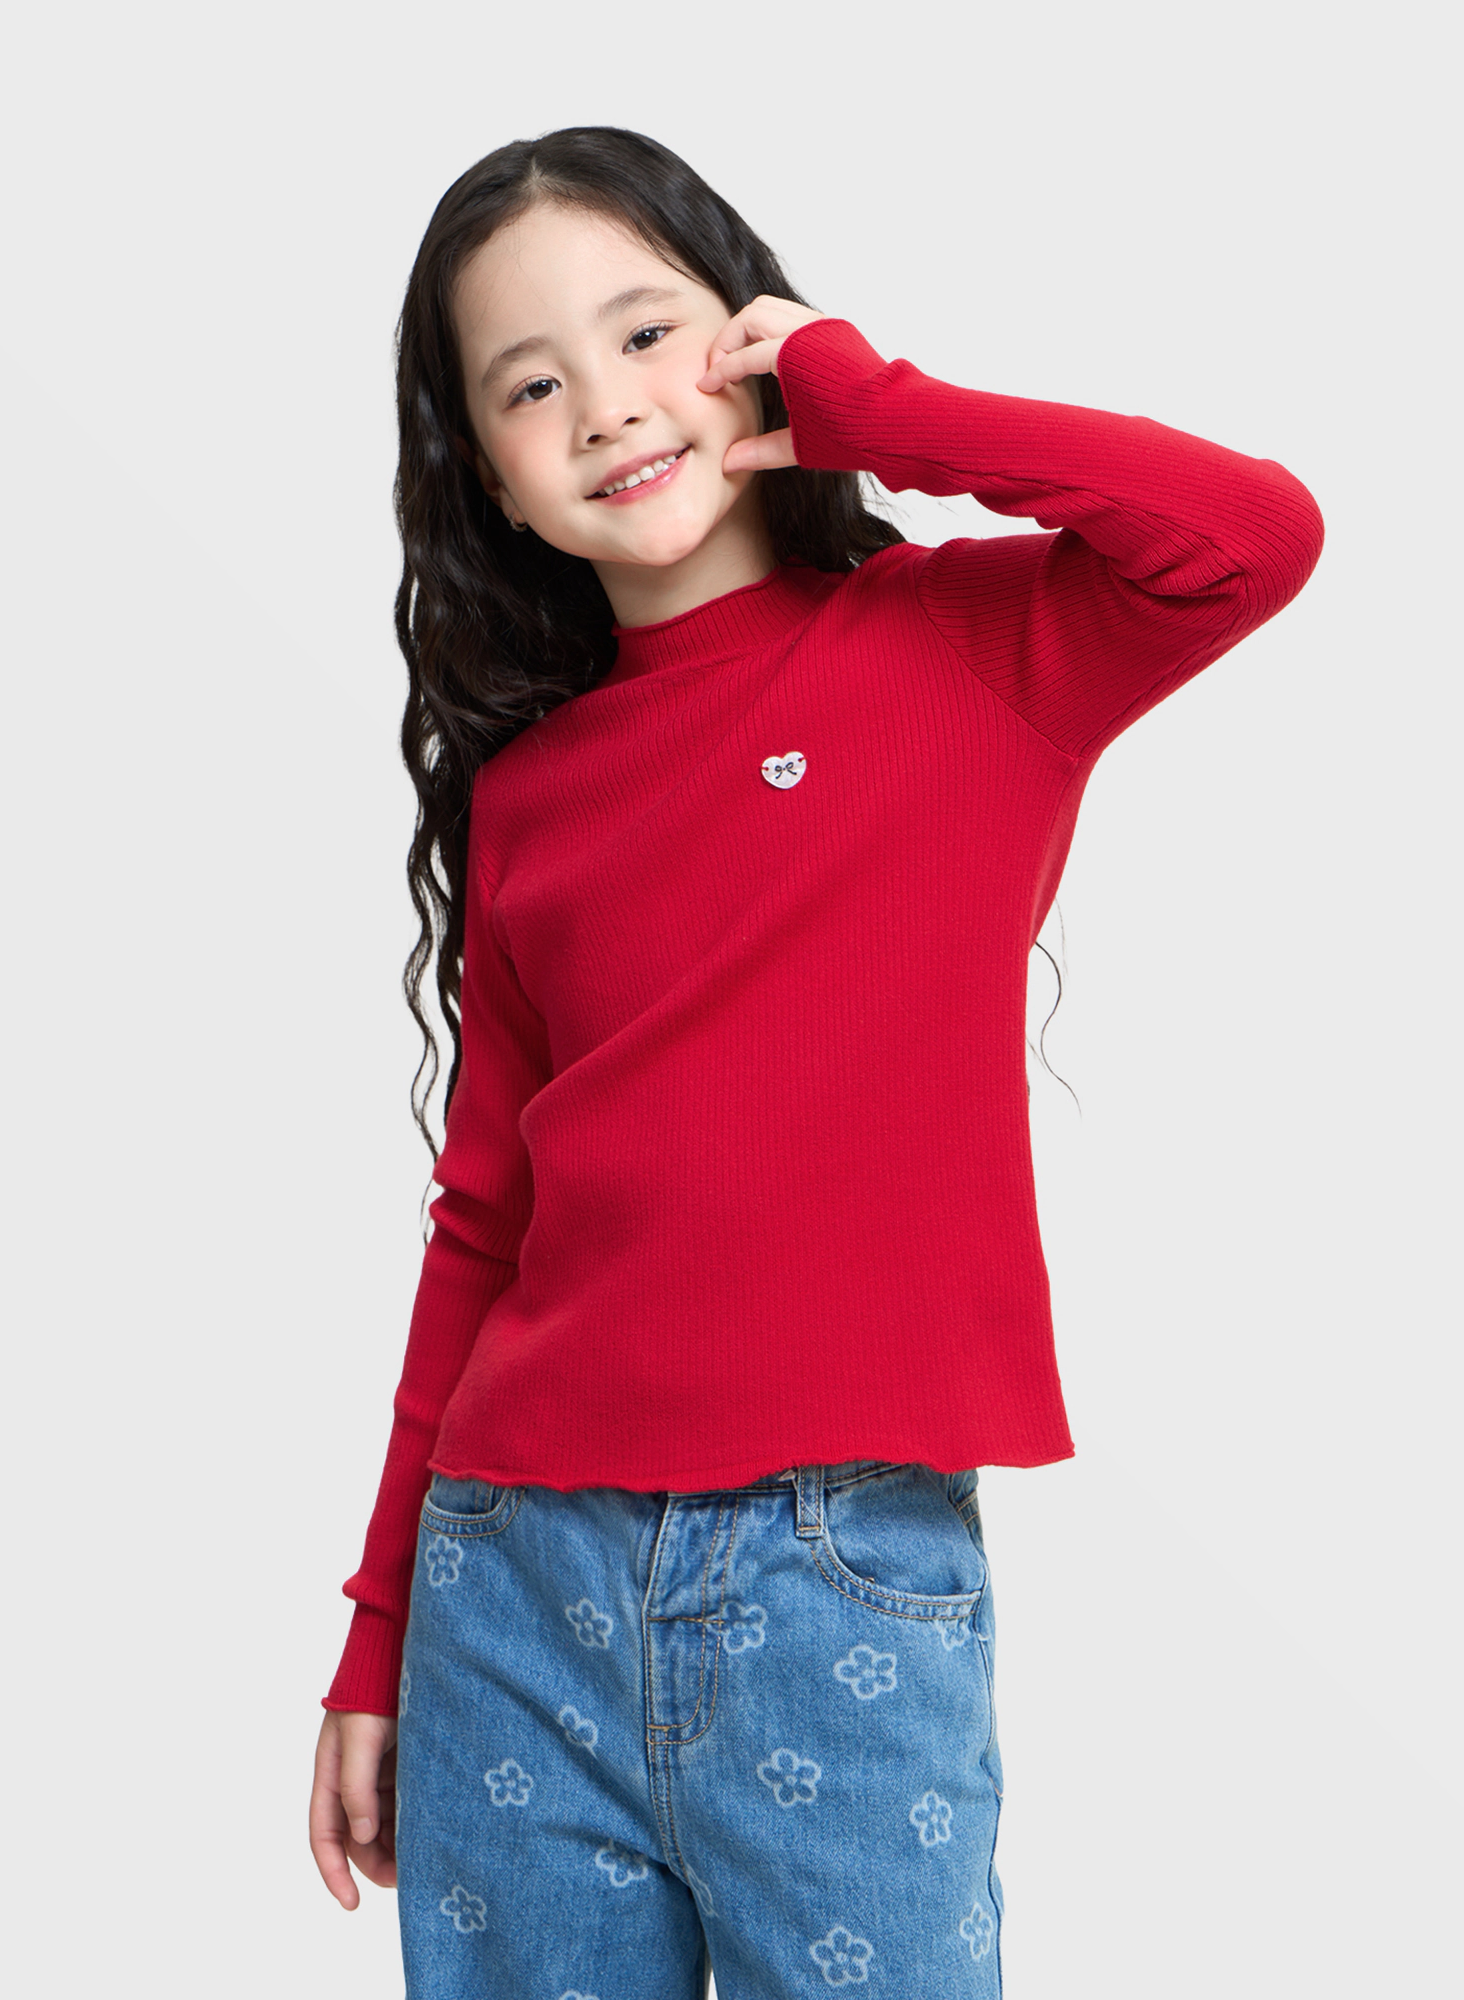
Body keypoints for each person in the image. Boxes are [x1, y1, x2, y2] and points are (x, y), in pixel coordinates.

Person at [308, 125, 1323, 1998]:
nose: (608, 407)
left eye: (645, 334)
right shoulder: (529, 800)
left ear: (752, 333)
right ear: (489, 479)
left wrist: (884, 409)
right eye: (530, 386)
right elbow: (481, 1232)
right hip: (509, 1588)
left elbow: (1253, 536)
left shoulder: (973, 651)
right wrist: (375, 1643)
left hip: (836, 1574)